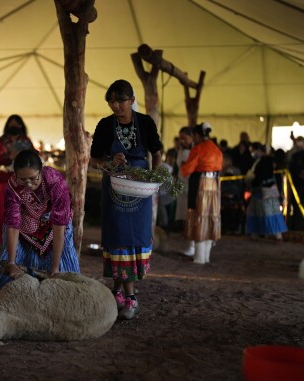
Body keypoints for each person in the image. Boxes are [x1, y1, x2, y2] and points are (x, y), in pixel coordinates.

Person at [89, 79, 163, 320]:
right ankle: (127, 295)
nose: (115, 105)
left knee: (135, 237)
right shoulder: (104, 125)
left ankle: (122, 293)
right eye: (111, 101)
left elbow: (157, 152)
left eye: (120, 100)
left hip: (139, 189)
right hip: (114, 189)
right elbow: (94, 160)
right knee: (118, 236)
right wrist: (110, 163)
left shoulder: (145, 123)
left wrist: (154, 176)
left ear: (132, 100)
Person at [0, 149, 80, 288]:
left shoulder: (55, 180)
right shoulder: (12, 187)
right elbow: (13, 224)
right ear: (15, 174)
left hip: (54, 222)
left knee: (62, 272)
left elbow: (59, 225)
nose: (29, 184)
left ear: (41, 170)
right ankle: (17, 288)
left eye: (33, 178)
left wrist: (55, 269)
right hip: (26, 223)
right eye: (22, 179)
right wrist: (12, 263)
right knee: (12, 241)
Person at [180, 122, 223, 264]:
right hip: (214, 185)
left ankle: (199, 257)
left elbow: (187, 169)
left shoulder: (198, 149)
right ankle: (206, 257)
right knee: (210, 217)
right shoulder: (216, 149)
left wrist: (182, 168)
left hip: (200, 185)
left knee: (198, 216)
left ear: (197, 135)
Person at [0, 114, 33, 245]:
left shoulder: (26, 140)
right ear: (7, 125)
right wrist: (10, 157)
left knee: (22, 209)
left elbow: (34, 158)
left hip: (22, 179)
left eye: (17, 124)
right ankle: (2, 239)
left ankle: (20, 240)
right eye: (12, 123)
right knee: (3, 209)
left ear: (21, 126)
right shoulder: (1, 141)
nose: (14, 126)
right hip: (4, 178)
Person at [244, 143, 287, 240]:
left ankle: (262, 233)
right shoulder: (266, 160)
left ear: (259, 150)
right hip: (267, 189)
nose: (252, 153)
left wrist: (253, 185)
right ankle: (274, 233)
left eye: (253, 150)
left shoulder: (263, 161)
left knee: (263, 211)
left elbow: (260, 176)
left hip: (261, 190)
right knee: (269, 211)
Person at [175, 127, 194, 253]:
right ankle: (187, 239)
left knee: (190, 213)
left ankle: (192, 243)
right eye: (180, 137)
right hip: (183, 183)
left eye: (184, 137)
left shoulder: (194, 149)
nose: (182, 140)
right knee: (184, 213)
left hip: (191, 183)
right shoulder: (181, 149)